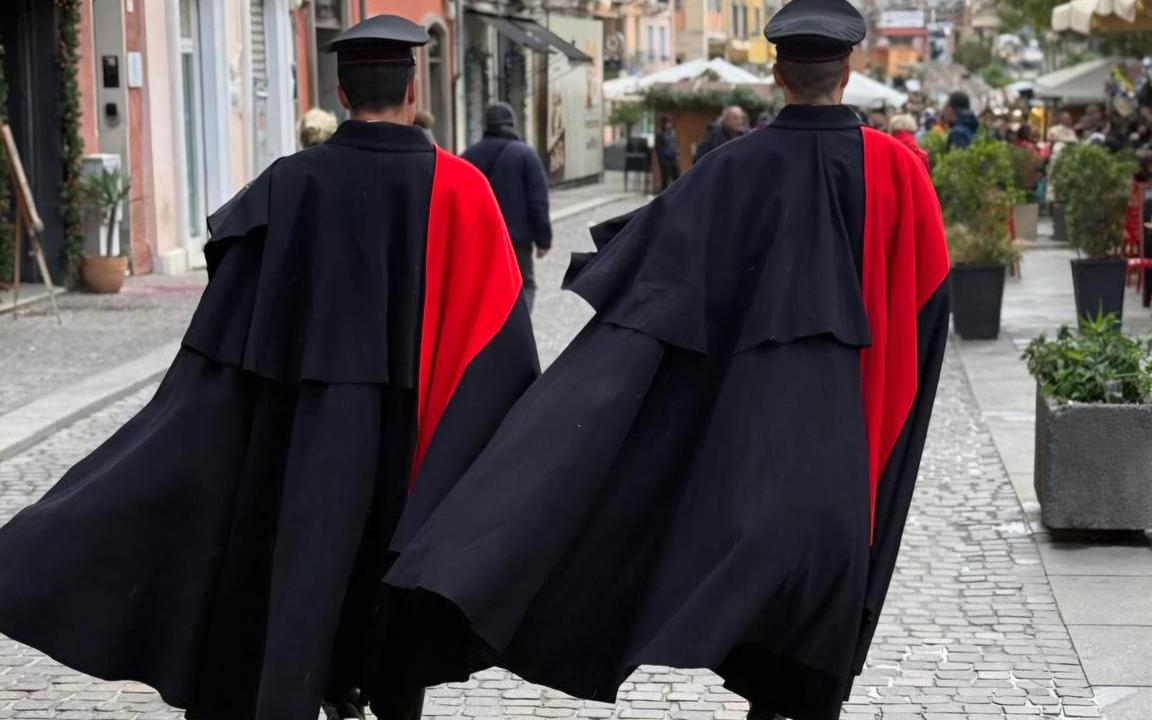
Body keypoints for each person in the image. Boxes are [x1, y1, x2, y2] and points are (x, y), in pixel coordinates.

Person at [382, 1, 951, 719]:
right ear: (852, 71)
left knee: (749, 577)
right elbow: (929, 312)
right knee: (817, 612)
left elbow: (654, 288)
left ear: (777, 75)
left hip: (745, 436)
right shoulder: (898, 172)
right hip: (851, 430)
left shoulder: (730, 167)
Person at [0, 15, 540, 720]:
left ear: (342, 94)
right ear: (412, 94)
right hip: (413, 438)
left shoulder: (289, 183)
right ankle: (388, 699)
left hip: (302, 439)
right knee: (395, 580)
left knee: (299, 583)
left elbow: (230, 327)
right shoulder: (463, 191)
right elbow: (500, 335)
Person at [462, 102, 552, 310]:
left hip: (479, 240)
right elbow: (538, 201)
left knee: (485, 288)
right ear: (511, 125)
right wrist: (543, 240)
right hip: (517, 240)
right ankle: (520, 330)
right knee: (524, 285)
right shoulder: (526, 155)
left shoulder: (468, 156)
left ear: (486, 125)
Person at [654, 114, 681, 190]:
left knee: (676, 177)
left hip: (673, 158)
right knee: (665, 179)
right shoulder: (660, 134)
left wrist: (678, 155)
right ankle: (664, 195)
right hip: (665, 160)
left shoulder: (672, 132)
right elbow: (658, 148)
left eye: (669, 122)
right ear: (663, 124)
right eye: (667, 123)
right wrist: (662, 160)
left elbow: (675, 144)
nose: (669, 124)